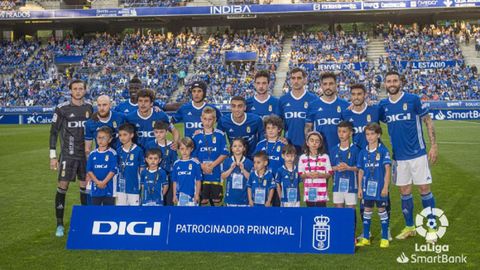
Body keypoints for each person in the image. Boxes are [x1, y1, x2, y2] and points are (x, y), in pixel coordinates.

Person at [379, 71, 439, 243]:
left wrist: (433, 145)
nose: (392, 83)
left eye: (395, 80)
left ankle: (432, 228)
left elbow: (427, 121)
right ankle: (410, 227)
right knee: (404, 192)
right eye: (388, 81)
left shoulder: (412, 99)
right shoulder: (384, 105)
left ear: (400, 82)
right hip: (399, 157)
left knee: (424, 190)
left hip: (418, 154)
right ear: (385, 84)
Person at [49, 79, 93, 237]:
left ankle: (86, 221)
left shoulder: (90, 108)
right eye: (75, 89)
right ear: (70, 91)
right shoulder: (62, 109)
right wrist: (53, 156)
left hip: (85, 155)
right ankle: (59, 224)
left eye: (81, 88)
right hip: (68, 155)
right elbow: (53, 132)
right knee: (63, 187)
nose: (78, 91)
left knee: (85, 187)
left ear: (85, 90)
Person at [356, 123, 391, 248]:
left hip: (380, 187)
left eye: (372, 134)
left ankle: (385, 238)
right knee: (367, 210)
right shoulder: (363, 152)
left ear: (378, 135)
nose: (369, 137)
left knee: (382, 210)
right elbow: (360, 171)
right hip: (366, 188)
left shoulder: (383, 150)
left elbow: (387, 170)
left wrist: (386, 186)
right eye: (367, 134)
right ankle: (366, 237)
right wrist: (359, 188)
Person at [305, 72, 349, 157]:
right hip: (320, 152)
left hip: (340, 152)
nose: (328, 87)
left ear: (336, 85)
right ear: (321, 86)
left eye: (331, 84)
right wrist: (310, 148)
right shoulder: (313, 105)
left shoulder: (345, 105)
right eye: (325, 84)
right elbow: (308, 128)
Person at [192, 107, 229, 206]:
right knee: (203, 201)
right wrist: (202, 166)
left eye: (210, 119)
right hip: (201, 174)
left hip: (216, 173)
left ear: (215, 120)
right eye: (205, 119)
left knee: (216, 201)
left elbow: (224, 153)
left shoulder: (220, 135)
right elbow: (193, 155)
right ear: (201, 119)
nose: (207, 122)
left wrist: (212, 165)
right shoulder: (196, 136)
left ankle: (217, 221)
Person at [279, 67, 319, 154]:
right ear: (289, 80)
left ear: (305, 80)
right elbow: (279, 124)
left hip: (309, 147)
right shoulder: (283, 100)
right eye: (293, 78)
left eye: (299, 78)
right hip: (289, 147)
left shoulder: (314, 99)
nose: (296, 81)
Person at [331, 121, 360, 234]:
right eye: (339, 131)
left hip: (352, 185)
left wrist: (348, 167)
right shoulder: (333, 149)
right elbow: (330, 167)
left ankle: (351, 234)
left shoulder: (356, 149)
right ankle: (339, 234)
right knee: (338, 209)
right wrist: (336, 168)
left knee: (350, 210)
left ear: (351, 133)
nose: (341, 134)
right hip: (337, 185)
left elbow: (359, 168)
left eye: (344, 131)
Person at [144, 121, 178, 205]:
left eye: (161, 132)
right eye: (156, 132)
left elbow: (174, 162)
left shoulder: (172, 145)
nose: (158, 134)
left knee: (168, 201)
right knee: (154, 201)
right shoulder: (150, 144)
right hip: (153, 178)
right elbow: (146, 161)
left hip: (168, 177)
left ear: (166, 132)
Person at [298, 131, 332, 207]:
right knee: (310, 213)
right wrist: (307, 175)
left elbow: (329, 173)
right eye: (312, 140)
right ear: (307, 142)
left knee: (321, 213)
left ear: (320, 144)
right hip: (309, 191)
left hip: (321, 191)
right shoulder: (302, 157)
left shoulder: (325, 156)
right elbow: (300, 174)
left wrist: (320, 174)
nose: (314, 143)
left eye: (317, 141)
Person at [341, 84, 380, 149]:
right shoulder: (346, 114)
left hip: (375, 153)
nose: (356, 97)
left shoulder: (375, 110)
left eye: (359, 94)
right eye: (353, 94)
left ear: (365, 95)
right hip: (358, 154)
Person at [86, 126, 118, 206]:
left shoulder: (112, 153)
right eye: (99, 137)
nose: (100, 140)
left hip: (109, 187)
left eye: (104, 138)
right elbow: (89, 170)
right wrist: (97, 182)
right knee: (95, 211)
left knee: (108, 212)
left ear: (110, 140)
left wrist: (103, 182)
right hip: (95, 187)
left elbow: (113, 170)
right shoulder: (92, 154)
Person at [115, 76, 180, 114]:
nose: (133, 90)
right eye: (131, 88)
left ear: (141, 89)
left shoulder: (151, 104)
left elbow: (169, 106)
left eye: (136, 88)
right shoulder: (121, 106)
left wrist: (188, 105)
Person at [116, 123, 145, 206]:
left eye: (125, 135)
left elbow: (142, 169)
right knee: (121, 212)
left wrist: (142, 184)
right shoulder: (118, 151)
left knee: (135, 212)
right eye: (120, 135)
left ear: (131, 135)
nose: (122, 137)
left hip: (134, 187)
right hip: (120, 188)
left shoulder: (138, 150)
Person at [222, 138, 253, 207]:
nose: (237, 148)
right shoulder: (227, 161)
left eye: (240, 146)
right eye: (235, 146)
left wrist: (243, 169)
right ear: (231, 149)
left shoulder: (249, 162)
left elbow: (251, 179)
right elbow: (223, 176)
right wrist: (231, 168)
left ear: (244, 148)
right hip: (231, 198)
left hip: (244, 199)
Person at [172, 138, 202, 207]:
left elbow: (198, 180)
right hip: (180, 196)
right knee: (181, 215)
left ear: (191, 149)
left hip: (192, 196)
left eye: (187, 149)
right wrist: (174, 195)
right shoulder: (176, 164)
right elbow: (175, 181)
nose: (184, 151)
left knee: (192, 215)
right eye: (182, 149)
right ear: (178, 149)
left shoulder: (195, 163)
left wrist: (197, 194)